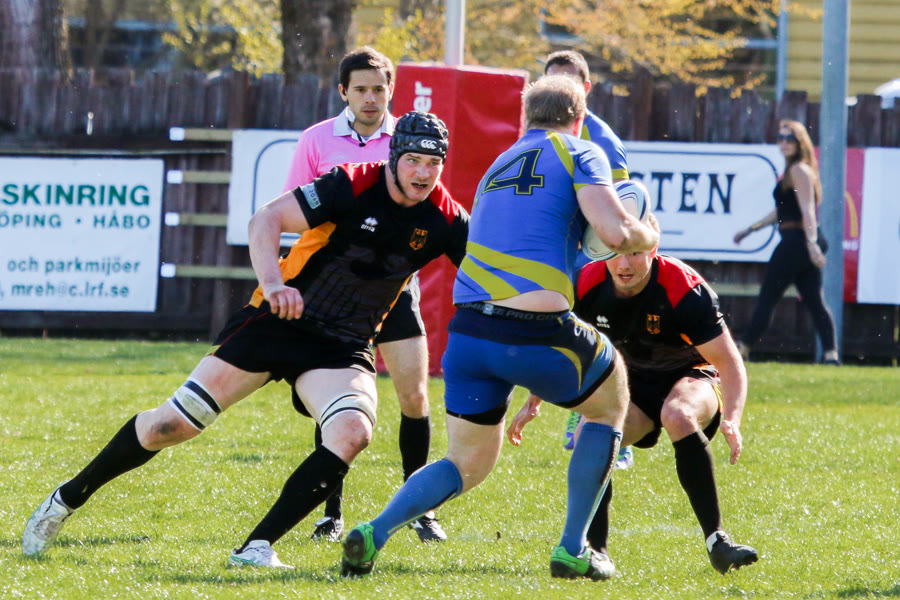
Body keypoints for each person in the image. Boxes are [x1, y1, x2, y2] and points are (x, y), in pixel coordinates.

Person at [21, 111, 469, 569]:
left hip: (343, 344)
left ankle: (256, 548)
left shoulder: (447, 218)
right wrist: (273, 285)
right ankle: (65, 499)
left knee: (353, 431)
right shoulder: (351, 183)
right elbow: (266, 219)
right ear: (393, 158)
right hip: (278, 322)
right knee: (168, 427)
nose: (423, 173)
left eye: (434, 163)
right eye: (413, 160)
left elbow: (487, 274)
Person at [340, 75, 659, 581]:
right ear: (579, 118)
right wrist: (647, 232)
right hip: (534, 330)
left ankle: (374, 530)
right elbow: (615, 232)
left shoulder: (500, 161)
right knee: (610, 396)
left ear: (526, 118)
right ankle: (573, 548)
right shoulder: (581, 150)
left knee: (467, 463)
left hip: (469, 334)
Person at [508, 214, 759, 576]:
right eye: (616, 251)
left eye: (636, 252)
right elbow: (560, 346)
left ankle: (717, 542)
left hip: (691, 377)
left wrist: (732, 419)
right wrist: (534, 400)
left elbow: (729, 362)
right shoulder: (588, 283)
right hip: (632, 384)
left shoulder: (683, 288)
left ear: (653, 250)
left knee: (678, 415)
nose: (624, 264)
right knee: (589, 436)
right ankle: (595, 553)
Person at [283, 46, 446, 543]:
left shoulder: (411, 140)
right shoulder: (315, 140)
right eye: (361, 90)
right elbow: (293, 211)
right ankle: (330, 513)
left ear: (391, 90)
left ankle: (421, 511)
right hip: (335, 294)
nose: (371, 98)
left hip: (395, 289)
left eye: (379, 89)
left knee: (414, 396)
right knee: (337, 402)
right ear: (343, 92)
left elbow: (433, 207)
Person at [542, 50, 633, 460]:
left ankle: (614, 429)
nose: (560, 91)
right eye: (552, 82)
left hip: (591, 256)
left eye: (569, 82)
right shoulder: (536, 133)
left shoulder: (602, 140)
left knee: (602, 337)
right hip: (551, 254)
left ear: (587, 88)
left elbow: (621, 207)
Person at [733, 119, 839, 365]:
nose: (784, 143)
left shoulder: (799, 170)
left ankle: (744, 346)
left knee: (768, 296)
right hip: (800, 241)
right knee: (814, 301)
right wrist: (750, 230)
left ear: (800, 142)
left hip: (797, 242)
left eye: (789, 139)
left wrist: (811, 243)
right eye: (780, 138)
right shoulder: (793, 171)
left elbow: (808, 210)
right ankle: (831, 355)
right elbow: (781, 211)